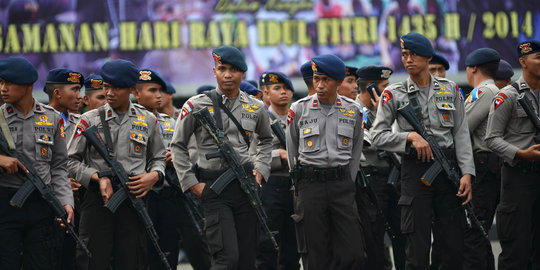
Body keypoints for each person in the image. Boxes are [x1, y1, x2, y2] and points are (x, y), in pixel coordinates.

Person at [371, 32, 475, 269]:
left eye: (414, 54)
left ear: (428, 58)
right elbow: (377, 135)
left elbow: (461, 134)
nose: (408, 59)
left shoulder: (451, 89)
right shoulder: (394, 93)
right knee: (416, 245)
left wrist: (467, 173)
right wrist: (409, 136)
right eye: (405, 54)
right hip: (416, 170)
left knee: (452, 245)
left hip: (448, 170)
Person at [170, 46, 273, 269]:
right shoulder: (195, 105)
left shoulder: (255, 106)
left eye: (234, 70)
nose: (227, 75)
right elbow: (177, 146)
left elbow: (266, 140)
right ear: (214, 71)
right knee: (226, 258)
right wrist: (192, 184)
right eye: (222, 69)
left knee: (247, 260)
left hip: (246, 187)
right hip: (213, 188)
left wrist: (261, 170)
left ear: (243, 73)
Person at [67, 59, 166, 270]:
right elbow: (70, 161)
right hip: (98, 201)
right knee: (92, 260)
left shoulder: (147, 120)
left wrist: (154, 176)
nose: (109, 92)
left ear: (132, 89)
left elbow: (158, 157)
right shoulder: (89, 120)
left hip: (134, 199)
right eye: (106, 86)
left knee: (132, 260)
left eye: (116, 87)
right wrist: (97, 177)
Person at [286, 54, 366, 270]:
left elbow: (356, 152)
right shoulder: (299, 109)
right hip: (310, 186)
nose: (319, 85)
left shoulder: (354, 110)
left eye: (326, 80)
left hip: (342, 186)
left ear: (339, 82)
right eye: (316, 79)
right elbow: (292, 150)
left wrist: (347, 181)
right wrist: (301, 185)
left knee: (354, 253)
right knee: (316, 254)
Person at [0, 57, 74, 269]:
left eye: (9, 83)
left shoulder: (52, 118)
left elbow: (59, 166)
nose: (3, 88)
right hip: (5, 202)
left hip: (42, 203)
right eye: (1, 82)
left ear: (28, 85)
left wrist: (66, 201)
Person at [485, 40, 540, 270]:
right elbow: (491, 138)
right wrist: (521, 153)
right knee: (515, 251)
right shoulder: (508, 96)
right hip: (518, 179)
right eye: (538, 57)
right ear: (523, 62)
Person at [355, 65, 406, 270]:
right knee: (374, 238)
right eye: (384, 86)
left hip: (395, 177)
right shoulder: (354, 110)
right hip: (371, 180)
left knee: (403, 235)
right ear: (371, 88)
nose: (389, 90)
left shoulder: (389, 108)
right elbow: (376, 141)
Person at [133, 68, 181, 269]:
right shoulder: (130, 120)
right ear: (136, 93)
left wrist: (175, 158)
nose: (159, 95)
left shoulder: (171, 122)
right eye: (152, 90)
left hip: (169, 194)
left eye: (161, 90)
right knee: (140, 252)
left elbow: (187, 154)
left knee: (168, 251)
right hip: (141, 194)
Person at [256, 71, 300, 270]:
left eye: (286, 88)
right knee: (268, 245)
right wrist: (279, 156)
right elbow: (250, 155)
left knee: (294, 247)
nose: (283, 92)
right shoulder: (260, 120)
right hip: (271, 186)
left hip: (297, 186)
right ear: (265, 94)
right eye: (277, 88)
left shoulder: (300, 117)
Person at [463, 48, 501, 270]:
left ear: (473, 68)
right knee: (479, 231)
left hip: (483, 164)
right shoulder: (495, 90)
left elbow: (461, 128)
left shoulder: (483, 92)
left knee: (473, 233)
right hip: (490, 164)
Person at [43, 67, 85, 270]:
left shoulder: (82, 123)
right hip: (46, 203)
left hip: (78, 204)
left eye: (80, 90)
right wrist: (58, 185)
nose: (79, 96)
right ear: (57, 93)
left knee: (73, 259)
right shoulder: (40, 120)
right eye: (74, 90)